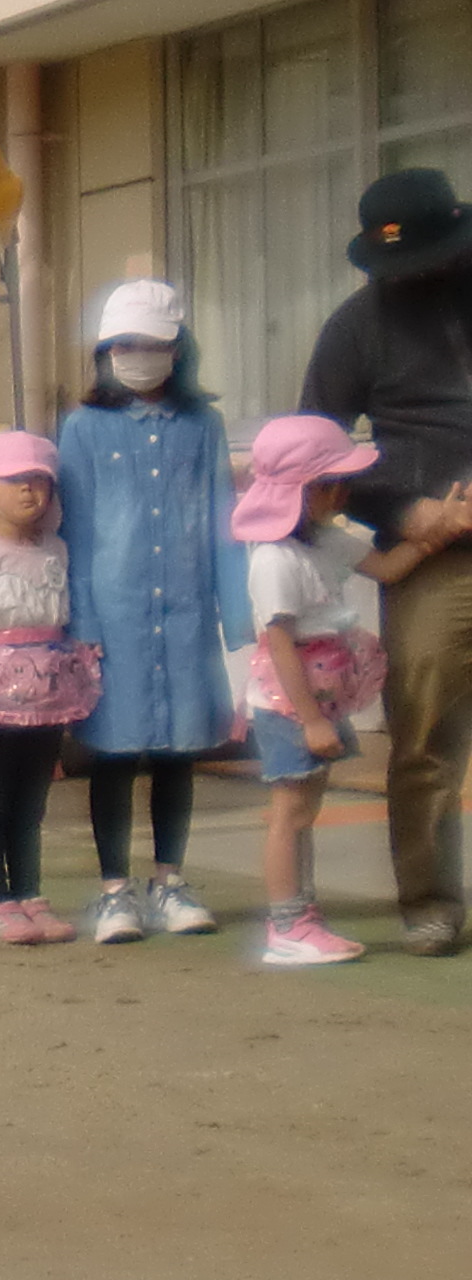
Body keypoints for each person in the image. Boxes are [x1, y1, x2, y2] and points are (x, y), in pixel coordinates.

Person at [300, 169, 472, 955]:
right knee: (425, 728)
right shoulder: (354, 327)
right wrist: (408, 510)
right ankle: (430, 898)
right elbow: (314, 456)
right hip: (435, 554)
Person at [59, 279, 240, 946]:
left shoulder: (203, 425)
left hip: (187, 613)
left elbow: (224, 521)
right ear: (106, 351)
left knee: (177, 753)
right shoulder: (83, 427)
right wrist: (82, 623)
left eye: (150, 344)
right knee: (112, 753)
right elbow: (74, 530)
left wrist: (237, 623)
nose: (136, 356)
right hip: (114, 615)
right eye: (123, 345)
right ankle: (114, 890)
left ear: (175, 349)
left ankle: (170, 879)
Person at [232, 412, 424, 969]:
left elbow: (387, 567)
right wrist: (310, 718)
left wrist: (441, 531)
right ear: (300, 490)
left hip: (323, 697)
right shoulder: (275, 560)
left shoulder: (325, 540)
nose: (343, 491)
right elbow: (281, 645)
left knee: (305, 808)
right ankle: (287, 923)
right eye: (330, 482)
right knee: (290, 810)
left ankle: (302, 915)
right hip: (291, 704)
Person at [0, 431, 101, 946]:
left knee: (32, 805)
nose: (29, 491)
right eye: (16, 481)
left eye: (39, 481)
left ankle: (29, 894)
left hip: (48, 698)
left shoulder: (57, 550)